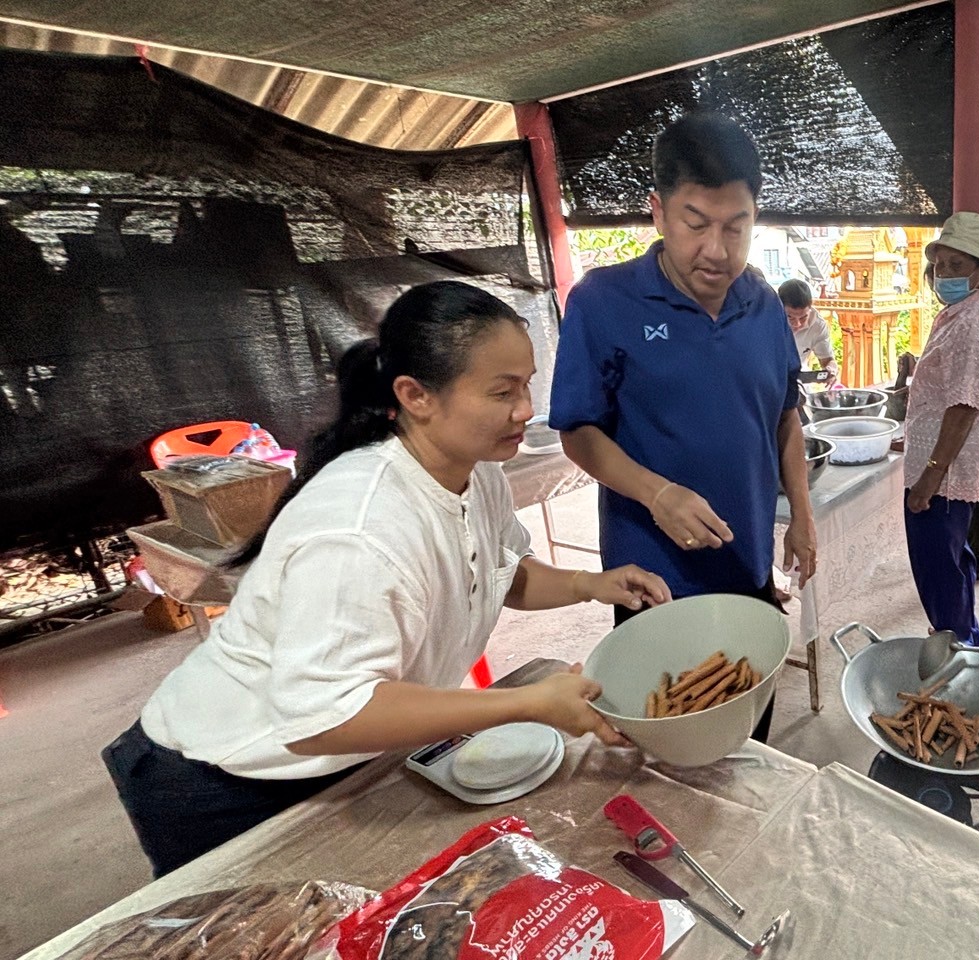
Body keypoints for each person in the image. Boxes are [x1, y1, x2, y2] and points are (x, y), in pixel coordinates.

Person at [104, 281, 670, 877]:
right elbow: (329, 715)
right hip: (229, 780)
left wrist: (588, 584)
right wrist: (526, 703)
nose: (526, 409)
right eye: (502, 391)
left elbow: (497, 572)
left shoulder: (475, 472)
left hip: (353, 755)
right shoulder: (359, 527)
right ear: (415, 395)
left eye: (527, 385)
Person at [550, 113, 816, 739]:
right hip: (651, 581)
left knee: (746, 733)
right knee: (665, 736)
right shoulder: (602, 302)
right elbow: (578, 432)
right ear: (659, 213)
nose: (717, 251)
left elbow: (785, 416)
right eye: (696, 224)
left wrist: (802, 515)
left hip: (748, 570)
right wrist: (657, 493)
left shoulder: (764, 307)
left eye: (736, 227)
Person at [902, 212, 979, 647]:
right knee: (953, 565)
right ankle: (968, 645)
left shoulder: (974, 323)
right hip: (946, 471)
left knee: (940, 576)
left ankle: (960, 654)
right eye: (940, 265)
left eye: (957, 265)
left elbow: (964, 407)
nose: (944, 274)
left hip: (945, 478)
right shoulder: (960, 313)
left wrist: (928, 479)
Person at [777, 278, 839, 385]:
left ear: (810, 307)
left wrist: (831, 370)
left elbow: (827, 360)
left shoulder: (817, 325)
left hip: (797, 379)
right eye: (790, 317)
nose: (797, 324)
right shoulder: (767, 320)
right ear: (779, 308)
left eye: (803, 318)